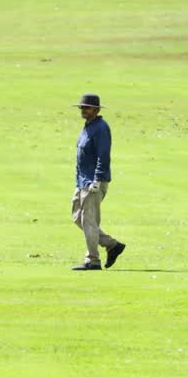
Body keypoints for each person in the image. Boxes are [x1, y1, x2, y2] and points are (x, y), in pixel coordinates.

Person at [71, 93, 125, 271]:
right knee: (77, 218)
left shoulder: (101, 128)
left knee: (89, 221)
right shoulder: (87, 127)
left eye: (86, 108)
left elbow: (103, 156)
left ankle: (93, 260)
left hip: (93, 181)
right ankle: (112, 245)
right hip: (82, 181)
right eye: (82, 108)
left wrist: (97, 179)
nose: (83, 110)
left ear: (96, 109)